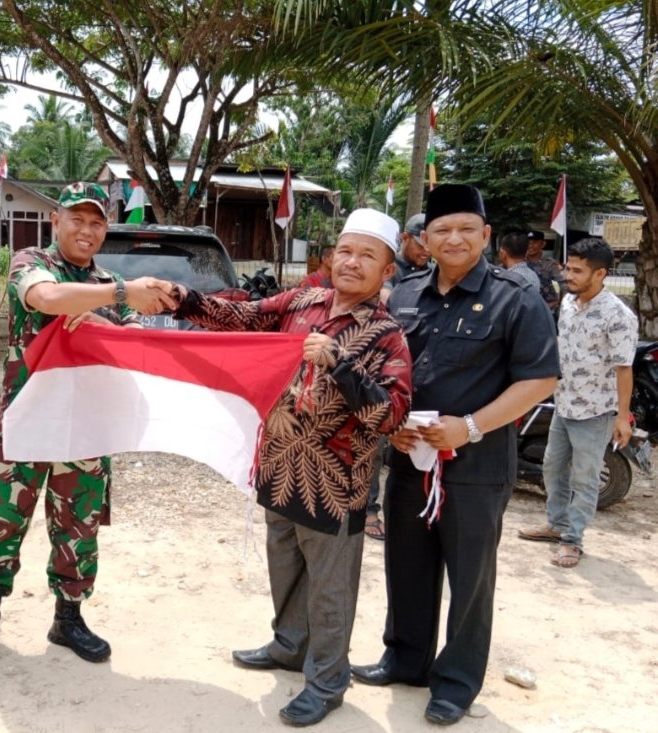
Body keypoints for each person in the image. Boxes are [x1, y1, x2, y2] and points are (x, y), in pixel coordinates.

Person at [169, 209, 412, 727]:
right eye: (346, 251)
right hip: (278, 467)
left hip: (336, 486)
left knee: (330, 588)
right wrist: (182, 300)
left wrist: (339, 365)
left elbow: (389, 416)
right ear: (330, 257)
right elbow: (242, 317)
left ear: (388, 271)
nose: (352, 262)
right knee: (284, 566)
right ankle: (288, 645)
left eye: (368, 256)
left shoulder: (387, 335)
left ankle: (327, 682)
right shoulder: (303, 300)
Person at [351, 184, 559, 726]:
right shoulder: (404, 295)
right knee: (406, 565)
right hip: (409, 459)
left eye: (467, 228)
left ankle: (456, 681)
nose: (455, 238)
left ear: (486, 235)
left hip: (476, 466)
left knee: (470, 577)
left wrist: (468, 428)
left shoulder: (517, 297)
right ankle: (405, 659)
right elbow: (384, 370)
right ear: (424, 239)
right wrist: (391, 425)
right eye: (442, 229)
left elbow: (539, 379)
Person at [0, 182, 175, 670]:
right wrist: (111, 296)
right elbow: (47, 297)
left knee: (79, 524)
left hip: (86, 427)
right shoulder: (32, 262)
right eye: (77, 219)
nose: (87, 229)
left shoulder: (110, 283)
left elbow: (136, 342)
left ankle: (68, 616)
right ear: (56, 221)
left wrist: (106, 322)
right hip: (31, 419)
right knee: (4, 521)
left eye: (97, 222)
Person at [519, 238, 636, 568]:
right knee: (553, 468)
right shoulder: (569, 303)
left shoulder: (618, 316)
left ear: (600, 274)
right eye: (568, 268)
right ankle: (556, 526)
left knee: (585, 479)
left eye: (576, 270)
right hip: (564, 403)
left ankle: (573, 540)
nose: (567, 275)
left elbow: (624, 368)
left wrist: (622, 416)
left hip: (596, 411)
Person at [368, 212, 432, 541]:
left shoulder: (433, 273)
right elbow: (381, 299)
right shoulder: (390, 270)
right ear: (405, 238)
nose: (426, 251)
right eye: (421, 244)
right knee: (376, 445)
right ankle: (368, 510)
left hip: (418, 376)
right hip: (382, 375)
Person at [525, 229, 564, 312]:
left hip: (547, 307)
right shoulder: (520, 262)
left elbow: (564, 284)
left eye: (534, 242)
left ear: (543, 244)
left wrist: (559, 302)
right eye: (528, 242)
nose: (530, 246)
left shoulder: (550, 264)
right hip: (526, 308)